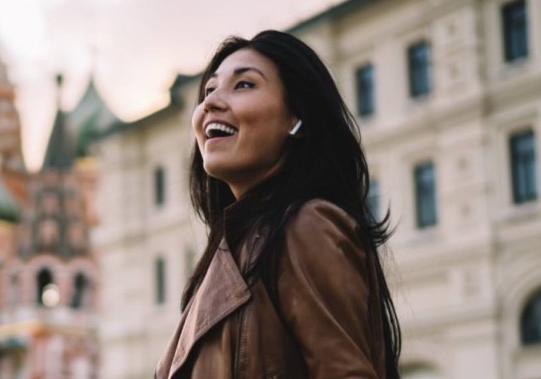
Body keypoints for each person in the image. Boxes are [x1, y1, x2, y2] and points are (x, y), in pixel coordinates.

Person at [156, 30, 401, 378]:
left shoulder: (307, 225)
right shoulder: (227, 252)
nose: (210, 103)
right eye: (209, 90)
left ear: (296, 119)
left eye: (243, 85)